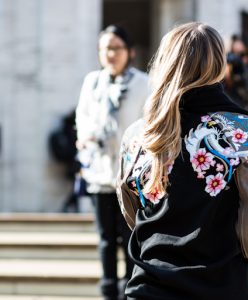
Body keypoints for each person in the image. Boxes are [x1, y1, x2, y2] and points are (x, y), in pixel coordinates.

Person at [116, 22, 248, 300]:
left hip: (148, 285)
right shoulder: (246, 133)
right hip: (221, 286)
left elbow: (132, 212)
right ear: (219, 64)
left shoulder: (138, 134)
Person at [75, 25, 150, 299]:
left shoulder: (144, 83)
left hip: (131, 176)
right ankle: (108, 289)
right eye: (105, 48)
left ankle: (131, 290)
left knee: (132, 237)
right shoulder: (92, 82)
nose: (110, 54)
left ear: (129, 52)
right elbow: (82, 117)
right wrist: (85, 138)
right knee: (106, 239)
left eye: (116, 47)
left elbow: (150, 124)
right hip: (99, 172)